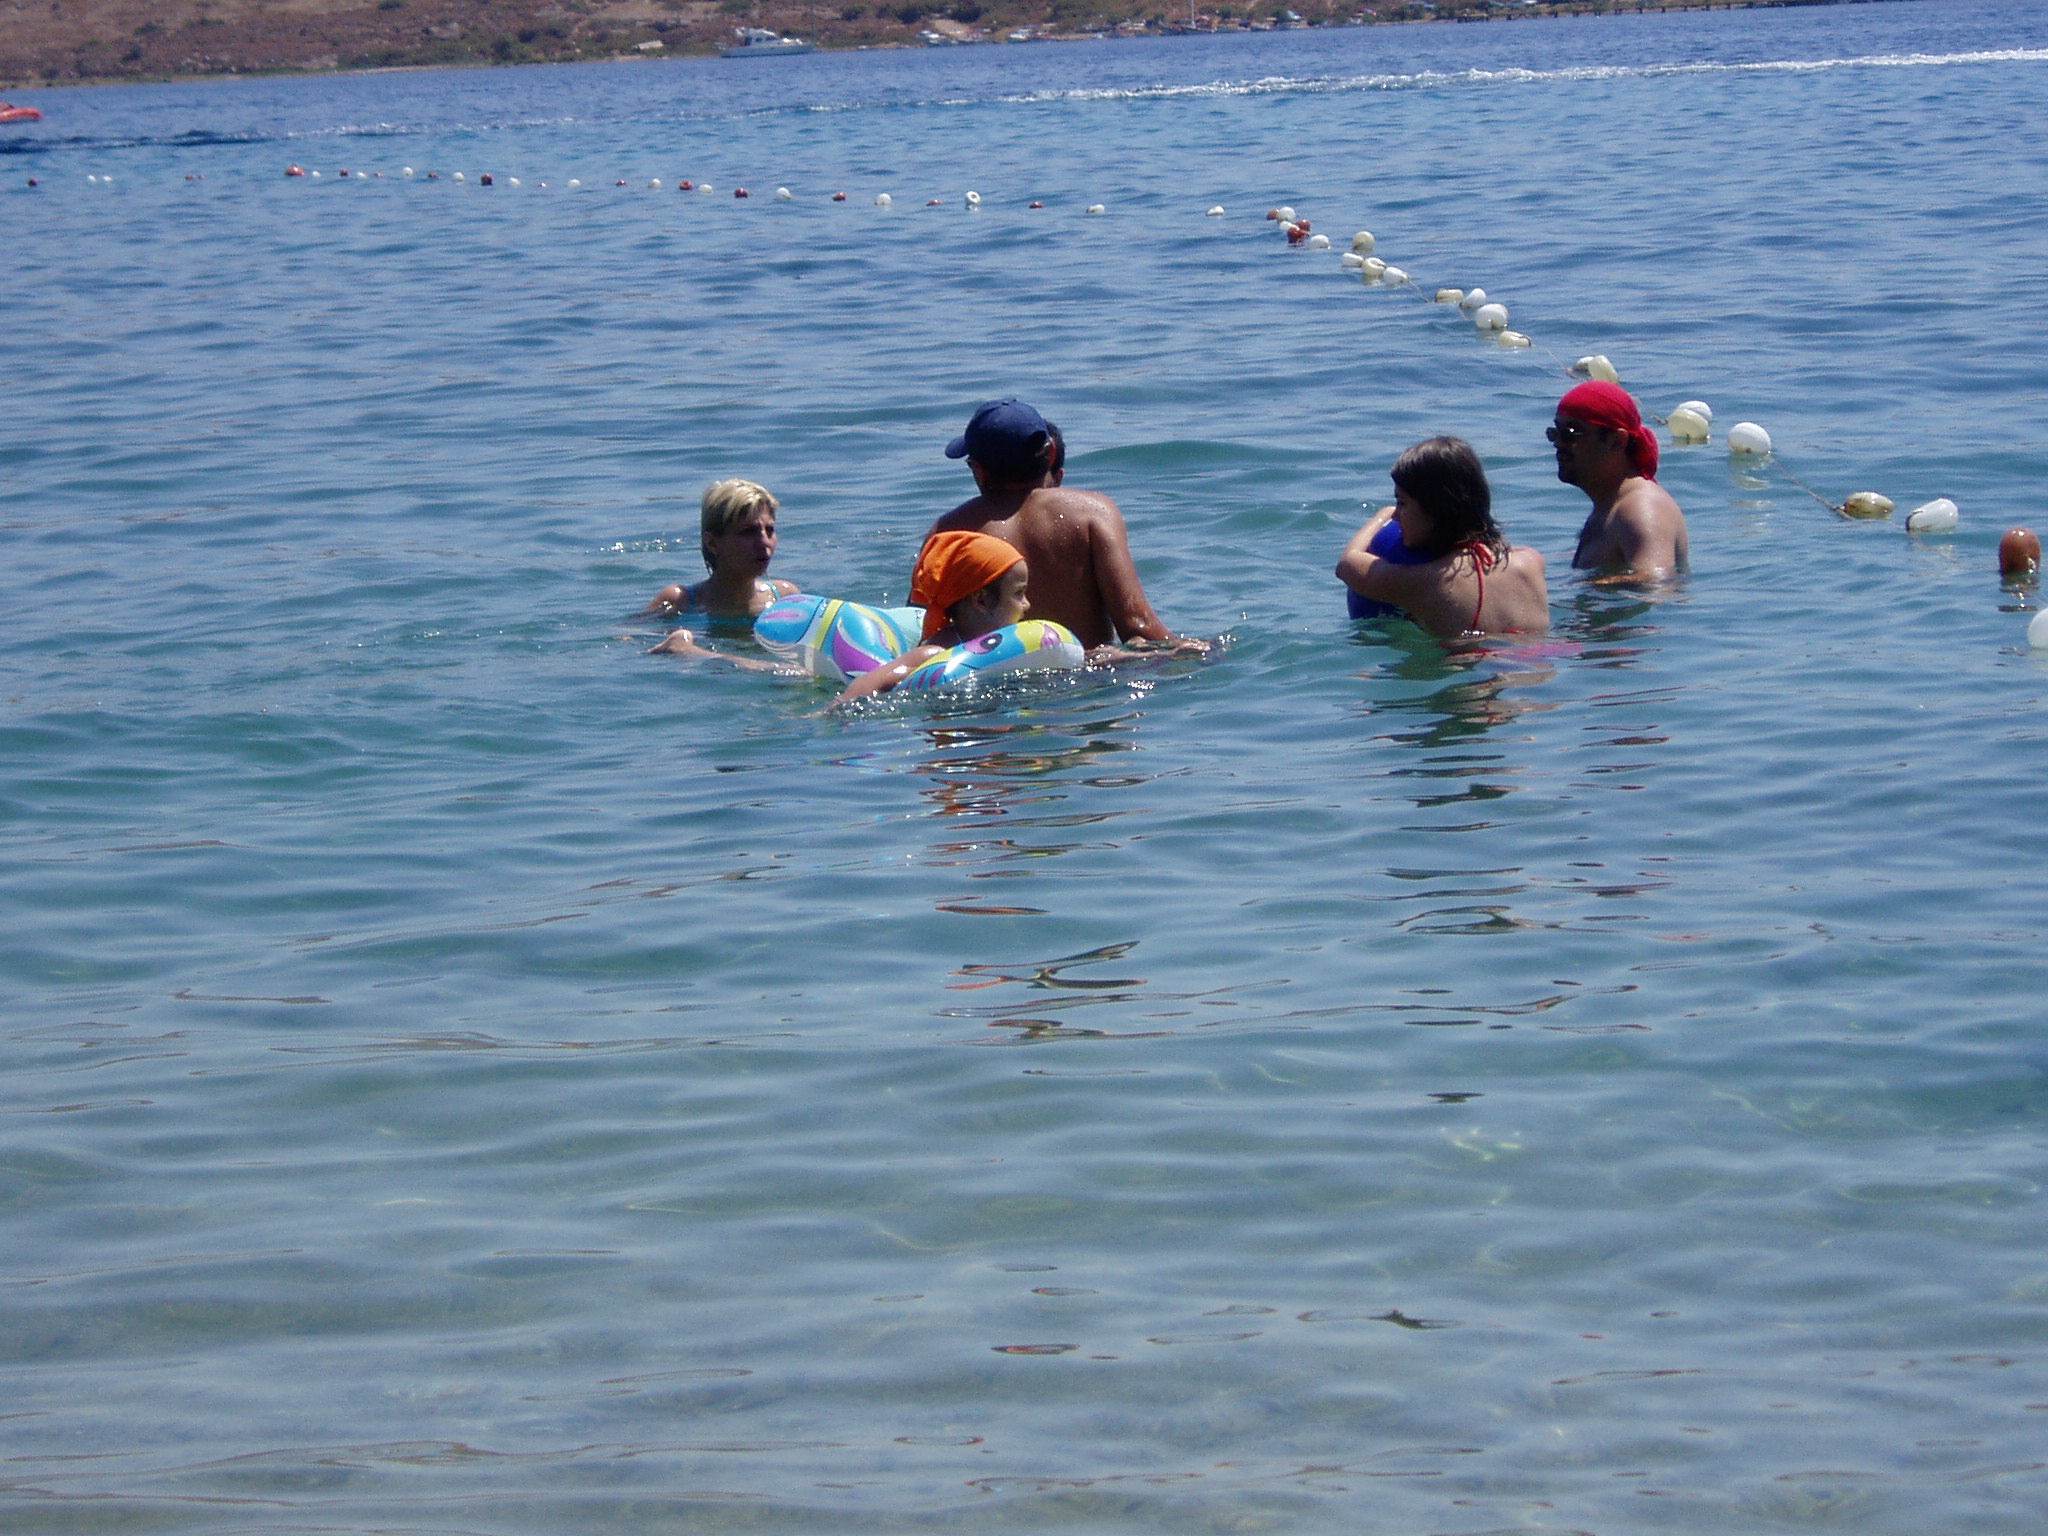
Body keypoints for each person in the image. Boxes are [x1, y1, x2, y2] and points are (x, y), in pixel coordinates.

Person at [923, 399, 1197, 651]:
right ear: (1051, 453)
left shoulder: (947, 532)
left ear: (980, 471)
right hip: (1091, 674)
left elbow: (922, 629)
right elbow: (1137, 625)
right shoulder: (1093, 513)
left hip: (995, 677)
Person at [1336, 436, 1549, 639]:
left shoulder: (1427, 583)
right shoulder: (1531, 561)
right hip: (1542, 658)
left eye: (1402, 503)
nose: (1397, 516)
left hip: (1473, 662)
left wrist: (1382, 516)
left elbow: (1347, 564)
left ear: (1435, 510)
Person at [1552, 382, 1689, 579]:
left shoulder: (1640, 507)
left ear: (1616, 441)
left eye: (1570, 434)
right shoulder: (1610, 508)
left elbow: (1657, 581)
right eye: (1555, 433)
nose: (1558, 443)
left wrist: (1573, 587)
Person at [642, 478, 799, 621]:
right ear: (712, 543)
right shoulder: (679, 601)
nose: (764, 542)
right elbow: (633, 635)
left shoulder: (785, 598)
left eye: (770, 530)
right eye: (748, 532)